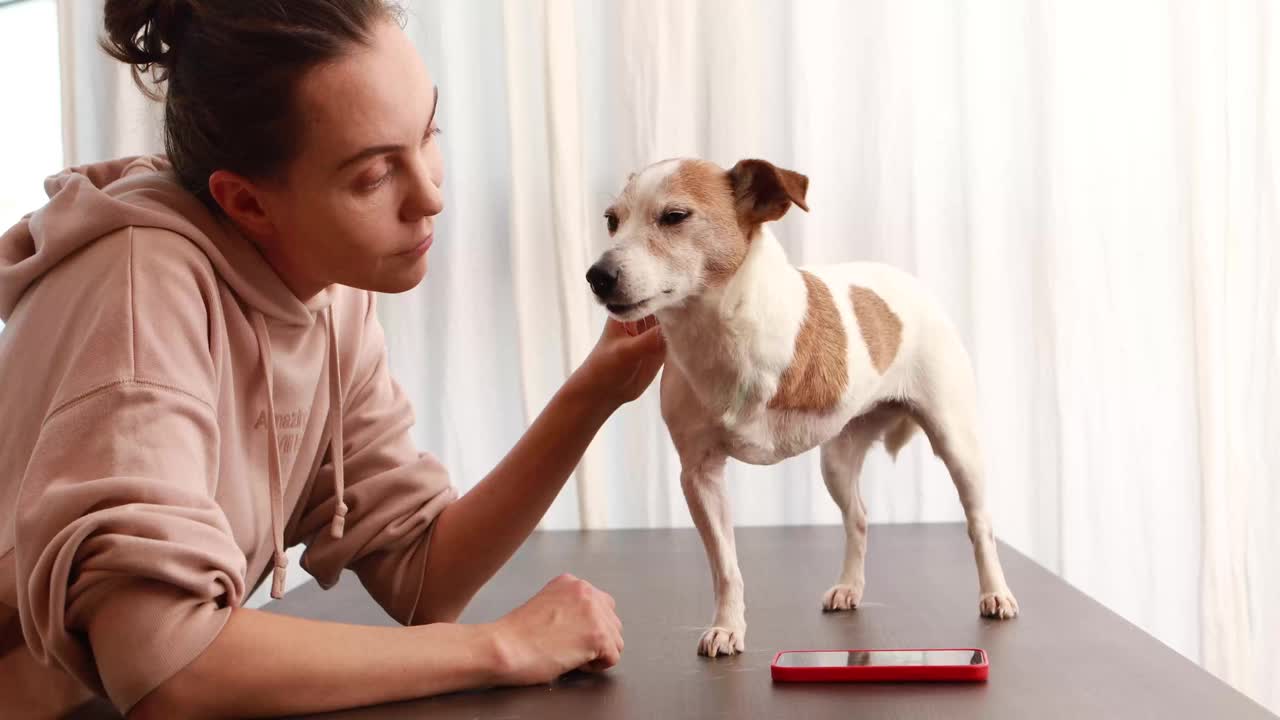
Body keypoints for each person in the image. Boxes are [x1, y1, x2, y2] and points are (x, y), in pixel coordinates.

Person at [0, 1, 666, 717]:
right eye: (376, 176)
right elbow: (167, 669)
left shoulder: (325, 293)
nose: (432, 195)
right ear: (247, 203)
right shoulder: (141, 286)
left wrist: (595, 391)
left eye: (427, 134)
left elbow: (422, 574)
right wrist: (501, 648)